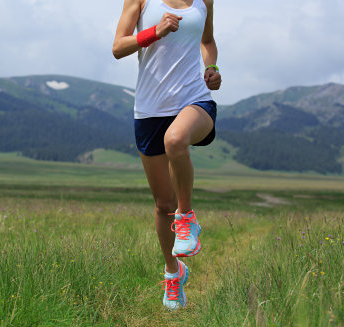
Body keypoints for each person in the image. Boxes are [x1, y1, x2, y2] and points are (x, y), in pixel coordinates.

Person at [112, 0, 221, 310]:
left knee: (176, 139)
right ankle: (173, 274)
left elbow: (207, 42)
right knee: (162, 204)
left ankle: (187, 218)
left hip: (194, 100)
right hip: (149, 110)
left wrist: (211, 68)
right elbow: (118, 47)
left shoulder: (203, 1)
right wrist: (154, 32)